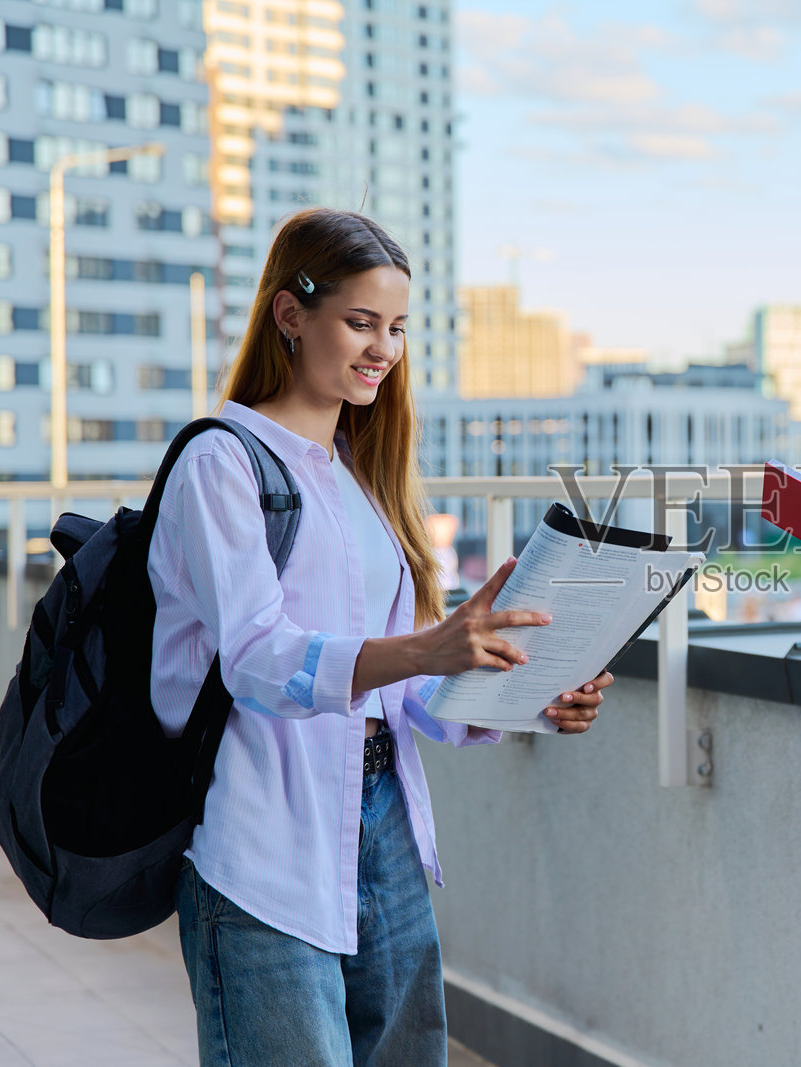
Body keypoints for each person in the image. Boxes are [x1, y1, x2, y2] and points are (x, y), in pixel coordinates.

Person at [148, 206, 614, 1066]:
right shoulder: (220, 461)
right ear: (291, 314)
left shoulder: (364, 477)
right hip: (261, 840)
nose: (383, 349)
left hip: (383, 827)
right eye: (360, 322)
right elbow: (257, 659)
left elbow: (402, 687)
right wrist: (428, 647)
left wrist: (527, 697)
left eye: (396, 327)